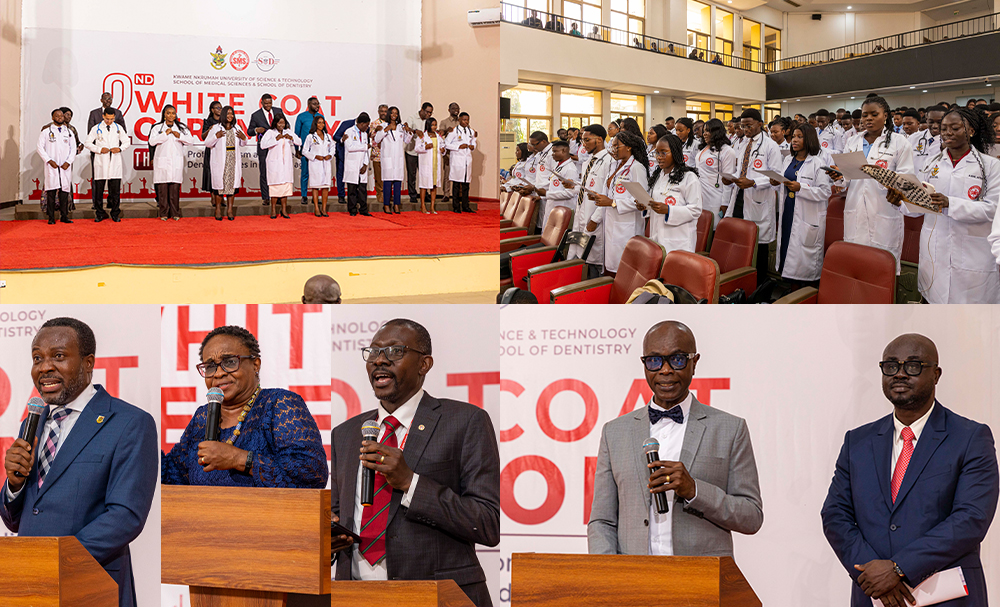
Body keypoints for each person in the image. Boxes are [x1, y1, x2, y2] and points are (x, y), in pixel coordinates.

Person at [330, 319, 500, 606]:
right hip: (354, 596)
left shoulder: (465, 421)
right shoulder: (346, 433)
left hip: (435, 596)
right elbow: (339, 512)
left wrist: (411, 482)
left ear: (424, 364)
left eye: (395, 351)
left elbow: (486, 523)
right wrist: (331, 538)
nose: (379, 360)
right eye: (373, 352)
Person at [821, 334, 999, 607]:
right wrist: (872, 574)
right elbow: (835, 515)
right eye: (891, 366)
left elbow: (971, 518)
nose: (900, 374)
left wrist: (898, 568)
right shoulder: (856, 441)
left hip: (948, 597)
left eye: (913, 366)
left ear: (936, 374)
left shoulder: (970, 437)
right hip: (874, 596)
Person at [2, 317, 157, 607]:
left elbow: (125, 516)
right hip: (27, 584)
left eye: (58, 356)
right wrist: (14, 484)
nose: (44, 367)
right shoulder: (32, 424)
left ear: (88, 363)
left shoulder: (130, 422)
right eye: (37, 358)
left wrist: (58, 560)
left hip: (90, 585)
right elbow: (15, 519)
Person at [589, 321, 763, 557]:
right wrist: (612, 578)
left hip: (702, 582)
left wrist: (694, 490)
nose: (665, 370)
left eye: (677, 359)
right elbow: (602, 521)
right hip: (634, 581)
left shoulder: (730, 429)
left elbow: (751, 517)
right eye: (654, 361)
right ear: (644, 364)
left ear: (694, 362)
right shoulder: (614, 432)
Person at [162, 326, 329, 488]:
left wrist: (239, 459)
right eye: (211, 366)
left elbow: (312, 474)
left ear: (255, 365)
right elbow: (171, 476)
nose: (219, 373)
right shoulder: (203, 417)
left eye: (230, 362)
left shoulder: (278, 404)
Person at [897, 107, 1000, 304]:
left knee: (971, 317)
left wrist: (950, 203)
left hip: (972, 253)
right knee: (935, 308)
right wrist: (901, 202)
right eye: (944, 128)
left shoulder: (990, 166)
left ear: (971, 131)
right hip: (935, 249)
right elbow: (919, 207)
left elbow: (992, 209)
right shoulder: (930, 163)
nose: (947, 133)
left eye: (955, 128)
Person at [827, 95, 915, 275]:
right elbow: (847, 179)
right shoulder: (853, 141)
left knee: (882, 269)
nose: (868, 119)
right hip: (855, 207)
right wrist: (839, 176)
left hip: (884, 209)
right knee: (856, 266)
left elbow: (906, 180)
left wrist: (879, 176)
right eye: (865, 115)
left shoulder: (899, 142)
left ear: (886, 116)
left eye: (874, 114)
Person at [723, 108, 783, 287]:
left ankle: (760, 286)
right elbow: (740, 169)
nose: (746, 129)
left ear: (760, 124)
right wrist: (730, 179)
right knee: (742, 239)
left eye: (749, 125)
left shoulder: (770, 145)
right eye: (743, 126)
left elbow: (776, 176)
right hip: (740, 196)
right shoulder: (743, 143)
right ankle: (743, 280)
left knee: (760, 246)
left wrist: (754, 182)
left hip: (759, 199)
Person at [769, 123, 832, 286]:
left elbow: (825, 192)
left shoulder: (817, 163)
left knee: (802, 259)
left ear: (809, 139)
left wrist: (801, 188)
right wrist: (776, 182)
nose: (794, 140)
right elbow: (784, 183)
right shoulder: (788, 159)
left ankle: (802, 293)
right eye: (794, 137)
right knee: (786, 250)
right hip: (788, 211)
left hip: (806, 217)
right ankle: (789, 289)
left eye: (799, 137)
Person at [590, 129, 649, 275]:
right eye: (612, 146)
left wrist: (612, 202)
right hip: (611, 221)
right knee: (610, 263)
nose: (613, 150)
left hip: (627, 226)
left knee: (624, 267)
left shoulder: (636, 168)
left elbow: (642, 201)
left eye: (617, 146)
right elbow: (608, 193)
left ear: (628, 147)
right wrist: (598, 198)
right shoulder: (614, 166)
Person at [646, 134, 703, 254]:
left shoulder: (689, 177)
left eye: (663, 152)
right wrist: (645, 206)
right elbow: (656, 203)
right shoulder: (658, 175)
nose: (659, 157)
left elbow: (696, 209)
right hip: (657, 235)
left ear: (675, 152)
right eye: (657, 153)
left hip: (679, 240)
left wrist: (669, 210)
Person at [569, 124, 613, 277]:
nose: (584, 144)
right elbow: (587, 186)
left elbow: (607, 193)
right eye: (582, 140)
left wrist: (595, 218)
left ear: (599, 139)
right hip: (583, 210)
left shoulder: (609, 161)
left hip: (596, 215)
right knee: (581, 252)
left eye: (587, 140)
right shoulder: (588, 161)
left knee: (594, 256)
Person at [148, 105, 194, 221]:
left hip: (176, 161)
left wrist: (180, 136)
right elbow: (152, 142)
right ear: (164, 114)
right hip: (162, 162)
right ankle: (163, 213)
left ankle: (175, 213)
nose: (171, 115)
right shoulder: (157, 128)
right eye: (168, 113)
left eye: (173, 113)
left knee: (174, 190)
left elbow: (191, 141)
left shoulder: (181, 128)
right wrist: (165, 134)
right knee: (162, 190)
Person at [84, 107, 130, 223]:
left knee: (115, 192)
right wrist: (99, 149)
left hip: (115, 162)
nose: (110, 121)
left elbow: (126, 141)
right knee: (99, 191)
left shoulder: (118, 128)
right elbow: (87, 143)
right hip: (101, 162)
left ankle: (115, 213)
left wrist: (119, 148)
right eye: (107, 119)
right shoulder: (96, 128)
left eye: (112, 119)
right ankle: (99, 213)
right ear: (103, 116)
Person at [205, 105, 248, 221]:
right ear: (223, 115)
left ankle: (230, 210)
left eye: (232, 114)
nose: (230, 116)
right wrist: (215, 136)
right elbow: (207, 143)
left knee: (231, 187)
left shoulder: (237, 128)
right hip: (220, 161)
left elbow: (243, 143)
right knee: (220, 187)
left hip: (232, 160)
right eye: (228, 113)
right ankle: (218, 210)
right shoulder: (216, 128)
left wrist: (244, 138)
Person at [37, 108, 77, 224]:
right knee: (51, 192)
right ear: (53, 118)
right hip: (52, 166)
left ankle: (64, 216)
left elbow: (73, 149)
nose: (60, 118)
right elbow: (39, 147)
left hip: (65, 167)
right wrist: (49, 160)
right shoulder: (46, 132)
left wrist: (68, 162)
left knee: (64, 192)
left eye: (61, 116)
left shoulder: (68, 132)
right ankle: (51, 218)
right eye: (57, 116)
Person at [696, 118, 737, 224]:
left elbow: (728, 180)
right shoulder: (704, 148)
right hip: (700, 194)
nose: (704, 134)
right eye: (704, 131)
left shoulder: (727, 151)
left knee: (714, 227)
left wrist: (725, 203)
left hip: (716, 197)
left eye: (708, 131)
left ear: (716, 132)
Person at [247, 94, 285, 208]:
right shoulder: (256, 115)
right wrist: (256, 130)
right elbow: (249, 132)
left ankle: (277, 196)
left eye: (270, 103)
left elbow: (286, 124)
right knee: (264, 172)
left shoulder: (278, 111)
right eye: (266, 103)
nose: (268, 105)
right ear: (262, 103)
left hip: (277, 147)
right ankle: (266, 197)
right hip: (263, 148)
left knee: (278, 172)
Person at [260, 114, 301, 219]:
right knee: (275, 188)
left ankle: (284, 210)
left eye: (283, 123)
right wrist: (275, 139)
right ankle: (273, 210)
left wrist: (291, 138)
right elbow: (263, 145)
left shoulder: (288, 132)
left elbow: (299, 141)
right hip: (275, 165)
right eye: (279, 123)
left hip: (285, 166)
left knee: (285, 189)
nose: (281, 125)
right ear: (275, 123)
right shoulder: (270, 132)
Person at [375, 106, 414, 214]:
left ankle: (397, 205)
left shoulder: (401, 127)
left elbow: (406, 140)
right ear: (388, 114)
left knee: (397, 183)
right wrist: (386, 130)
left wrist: (408, 132)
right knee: (387, 183)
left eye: (396, 113)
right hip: (387, 158)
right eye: (392, 113)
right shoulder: (383, 126)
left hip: (398, 159)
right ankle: (386, 205)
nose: (394, 115)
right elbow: (377, 139)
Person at [534, 140, 578, 231]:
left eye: (555, 152)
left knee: (556, 238)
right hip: (553, 206)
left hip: (563, 208)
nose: (552, 154)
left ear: (564, 151)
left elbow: (570, 193)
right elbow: (554, 187)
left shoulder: (570, 169)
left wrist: (547, 194)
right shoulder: (558, 166)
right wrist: (542, 196)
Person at [302, 114, 334, 218]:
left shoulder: (328, 136)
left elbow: (333, 147)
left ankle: (324, 209)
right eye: (319, 122)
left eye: (322, 122)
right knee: (315, 187)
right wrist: (315, 156)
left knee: (325, 187)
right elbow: (304, 151)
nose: (321, 124)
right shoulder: (310, 137)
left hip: (326, 164)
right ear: (315, 124)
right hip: (315, 164)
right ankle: (316, 208)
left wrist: (330, 155)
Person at [342, 112, 373, 217]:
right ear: (361, 123)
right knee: (352, 189)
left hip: (362, 164)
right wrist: (364, 146)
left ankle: (364, 209)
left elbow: (367, 151)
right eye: (366, 125)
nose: (367, 127)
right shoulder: (349, 132)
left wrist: (365, 164)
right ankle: (352, 210)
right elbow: (350, 148)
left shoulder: (365, 134)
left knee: (363, 190)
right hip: (352, 164)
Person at [445, 112, 476, 213]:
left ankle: (465, 206)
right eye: (464, 120)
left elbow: (473, 142)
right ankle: (456, 206)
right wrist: (458, 146)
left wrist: (472, 146)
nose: (466, 122)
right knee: (457, 185)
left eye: (467, 120)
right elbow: (446, 144)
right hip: (457, 161)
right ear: (459, 120)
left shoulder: (471, 131)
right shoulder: (454, 131)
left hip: (467, 161)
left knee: (466, 185)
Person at [295, 97, 324, 205]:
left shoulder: (321, 117)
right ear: (308, 104)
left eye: (318, 104)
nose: (317, 106)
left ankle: (315, 197)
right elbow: (296, 134)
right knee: (305, 173)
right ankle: (304, 196)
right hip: (305, 151)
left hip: (318, 151)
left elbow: (324, 134)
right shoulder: (301, 117)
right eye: (315, 104)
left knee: (317, 174)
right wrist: (297, 149)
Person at [406, 102, 434, 206]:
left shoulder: (428, 121)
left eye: (430, 113)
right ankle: (412, 195)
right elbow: (406, 129)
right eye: (427, 112)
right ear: (421, 110)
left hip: (424, 153)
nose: (429, 115)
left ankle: (425, 194)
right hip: (412, 151)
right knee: (412, 175)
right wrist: (415, 131)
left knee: (424, 173)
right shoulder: (412, 118)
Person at [416, 117, 446, 214]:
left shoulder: (438, 136)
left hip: (435, 164)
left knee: (434, 186)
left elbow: (443, 146)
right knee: (424, 185)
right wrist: (425, 147)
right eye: (432, 125)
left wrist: (443, 150)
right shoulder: (422, 136)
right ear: (428, 125)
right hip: (426, 164)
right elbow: (417, 148)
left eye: (435, 125)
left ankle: (432, 207)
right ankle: (423, 206)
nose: (434, 127)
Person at [909, 105, 945, 183]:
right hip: (914, 183)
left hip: (938, 184)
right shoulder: (913, 138)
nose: (935, 126)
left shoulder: (950, 142)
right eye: (931, 122)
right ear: (926, 120)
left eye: (939, 122)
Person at [200, 101, 223, 211]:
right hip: (211, 150)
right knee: (211, 173)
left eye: (221, 107)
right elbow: (203, 137)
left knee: (222, 173)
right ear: (212, 110)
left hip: (222, 150)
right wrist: (209, 130)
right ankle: (213, 196)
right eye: (217, 107)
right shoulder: (208, 121)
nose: (220, 109)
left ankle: (221, 197)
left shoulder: (224, 121)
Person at [438, 103, 461, 204]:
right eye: (453, 108)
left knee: (459, 173)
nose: (456, 110)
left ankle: (459, 195)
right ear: (449, 110)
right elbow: (440, 134)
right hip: (449, 152)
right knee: (447, 173)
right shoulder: (444, 122)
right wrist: (447, 131)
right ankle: (446, 194)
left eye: (457, 108)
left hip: (460, 153)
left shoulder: (462, 121)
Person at [333, 115, 356, 205]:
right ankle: (341, 196)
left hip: (355, 157)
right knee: (341, 175)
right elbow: (335, 136)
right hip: (342, 154)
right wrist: (342, 139)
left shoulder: (366, 128)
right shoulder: (346, 124)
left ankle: (355, 196)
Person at [369, 104, 389, 207]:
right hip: (377, 153)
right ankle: (380, 194)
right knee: (379, 176)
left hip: (389, 154)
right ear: (378, 112)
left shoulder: (391, 123)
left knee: (389, 175)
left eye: (385, 111)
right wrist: (377, 130)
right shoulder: (374, 123)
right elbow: (370, 135)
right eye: (382, 111)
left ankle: (388, 194)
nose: (384, 113)